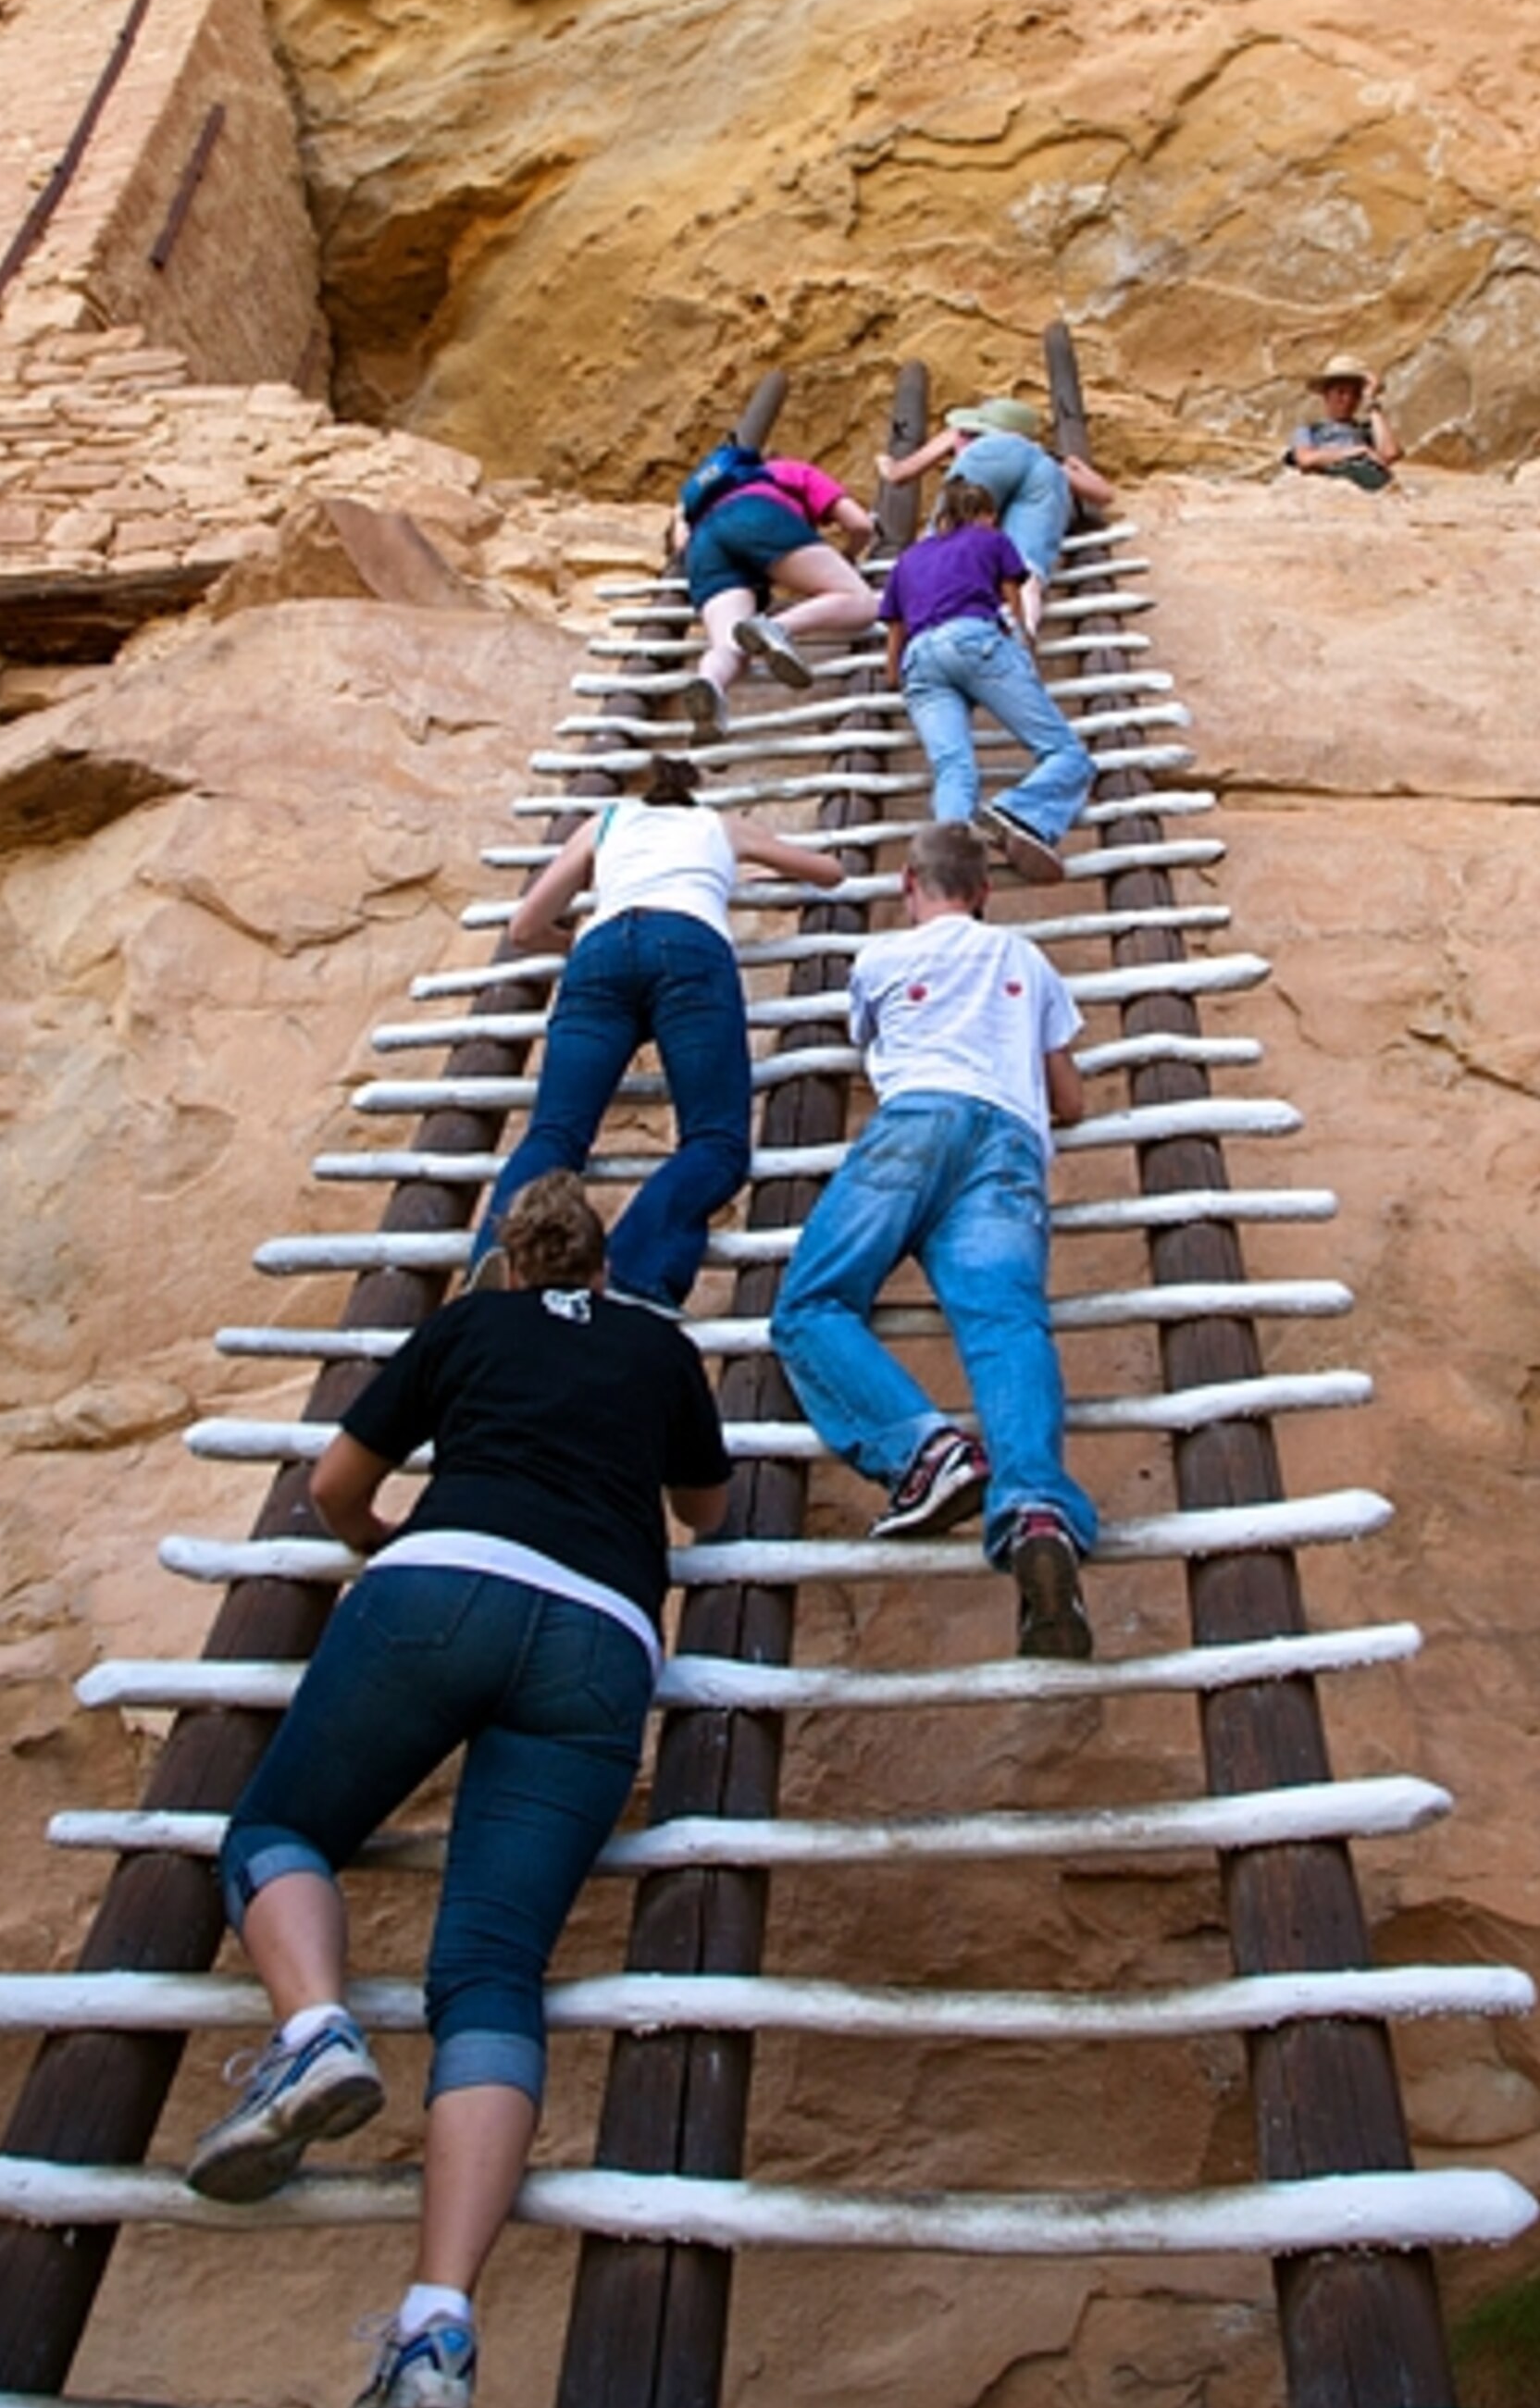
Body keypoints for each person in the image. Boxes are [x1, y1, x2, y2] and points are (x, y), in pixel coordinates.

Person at [185, 1170, 731, 2408]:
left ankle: (316, 2029)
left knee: (280, 1831)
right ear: (603, 1268)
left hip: (445, 1578)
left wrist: (396, 1552)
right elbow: (703, 1510)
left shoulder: (464, 1325)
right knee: (491, 1972)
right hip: (601, 1634)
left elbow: (332, 1491)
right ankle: (437, 2325)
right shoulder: (656, 1346)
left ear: (505, 1264)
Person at [770, 821, 1099, 1660]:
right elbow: (1071, 1101)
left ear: (907, 888)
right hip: (1011, 1146)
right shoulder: (1025, 959)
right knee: (1006, 1328)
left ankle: (928, 1450)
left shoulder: (879, 959)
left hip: (917, 1122)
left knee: (812, 1302)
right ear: (984, 892)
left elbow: (870, 1048)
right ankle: (1037, 1514)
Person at [466, 753, 848, 1312]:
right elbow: (830, 873)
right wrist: (742, 867)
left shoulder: (607, 821)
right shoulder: (719, 826)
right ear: (692, 798)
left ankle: (501, 1262)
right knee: (714, 1140)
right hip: (690, 947)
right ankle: (634, 1275)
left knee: (555, 1134)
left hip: (600, 951)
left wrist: (575, 943)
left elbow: (525, 927)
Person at [881, 475, 1094, 887]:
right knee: (1066, 754)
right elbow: (1012, 596)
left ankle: (945, 878)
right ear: (984, 514)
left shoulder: (909, 559)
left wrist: (896, 678)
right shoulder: (990, 538)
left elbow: (895, 627)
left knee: (953, 770)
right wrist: (1024, 647)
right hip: (972, 639)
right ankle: (1019, 811)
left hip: (919, 659)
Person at [671, 442, 878, 735]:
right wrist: (846, 557)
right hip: (754, 516)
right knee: (859, 601)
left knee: (729, 647)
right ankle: (775, 628)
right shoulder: (791, 471)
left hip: (703, 545)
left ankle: (710, 684)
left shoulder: (700, 496)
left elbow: (681, 544)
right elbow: (859, 525)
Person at [876, 395, 1115, 636]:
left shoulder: (966, 435)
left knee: (940, 548)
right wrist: (1073, 462)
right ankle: (1023, 637)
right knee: (1028, 571)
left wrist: (885, 463)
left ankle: (932, 634)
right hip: (1047, 471)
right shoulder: (1039, 453)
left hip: (988, 462)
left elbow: (899, 474)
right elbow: (1104, 494)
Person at [1285, 354, 1401, 490]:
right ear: (1326, 394)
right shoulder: (1309, 431)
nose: (1348, 400)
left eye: (1355, 394)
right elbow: (1306, 460)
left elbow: (1390, 453)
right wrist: (1358, 451)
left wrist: (1371, 401)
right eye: (1341, 392)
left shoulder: (1367, 432)